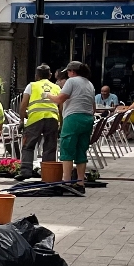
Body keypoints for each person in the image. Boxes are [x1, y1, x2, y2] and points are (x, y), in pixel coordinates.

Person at [52, 60, 98, 188]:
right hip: (88, 118)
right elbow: (93, 106)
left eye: (67, 71)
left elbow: (60, 99)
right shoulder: (89, 84)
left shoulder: (71, 81)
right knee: (81, 151)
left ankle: (66, 181)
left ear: (72, 71)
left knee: (67, 148)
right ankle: (80, 182)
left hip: (73, 118)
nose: (67, 74)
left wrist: (48, 96)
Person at [18, 64, 61, 176]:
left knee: (28, 145)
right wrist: (61, 122)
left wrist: (21, 120)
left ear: (36, 76)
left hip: (35, 119)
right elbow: (61, 107)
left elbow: (23, 105)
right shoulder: (56, 87)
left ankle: (25, 172)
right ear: (50, 75)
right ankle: (48, 173)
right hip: (52, 119)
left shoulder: (31, 86)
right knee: (50, 147)